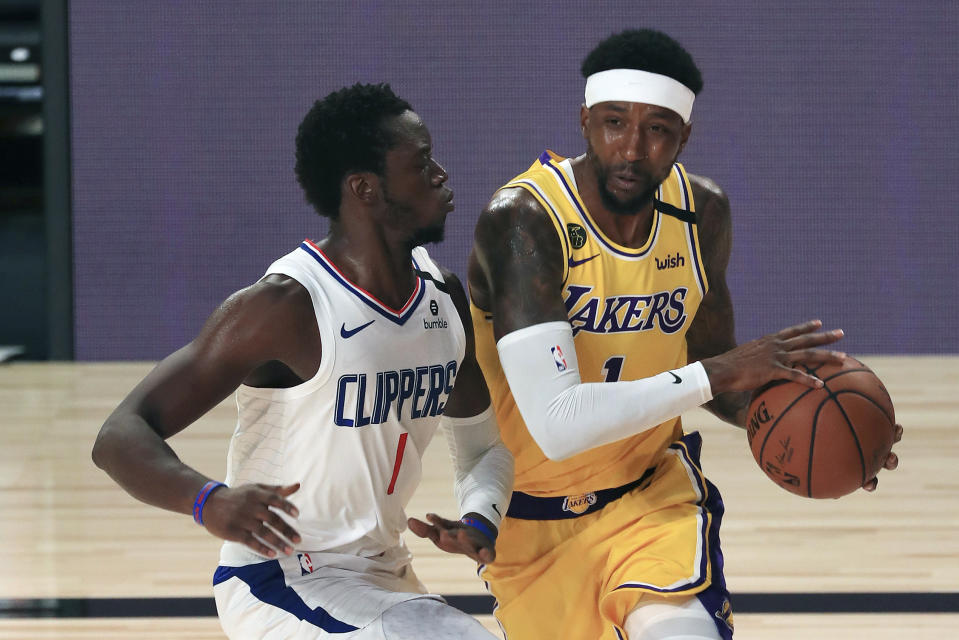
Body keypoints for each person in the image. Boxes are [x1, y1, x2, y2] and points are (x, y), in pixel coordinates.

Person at [467, 30, 902, 640]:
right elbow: (558, 424)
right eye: (614, 123)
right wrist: (718, 373)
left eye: (658, 130)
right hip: (530, 524)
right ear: (585, 120)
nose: (632, 149)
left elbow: (714, 377)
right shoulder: (524, 221)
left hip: (652, 501)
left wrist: (836, 428)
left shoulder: (702, 212)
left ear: (683, 137)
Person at [92, 83, 512, 640]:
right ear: (364, 188)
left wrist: (480, 515)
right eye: (420, 162)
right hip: (279, 577)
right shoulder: (286, 306)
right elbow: (119, 435)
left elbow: (482, 444)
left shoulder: (441, 297)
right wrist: (208, 500)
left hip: (384, 572)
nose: (440, 174)